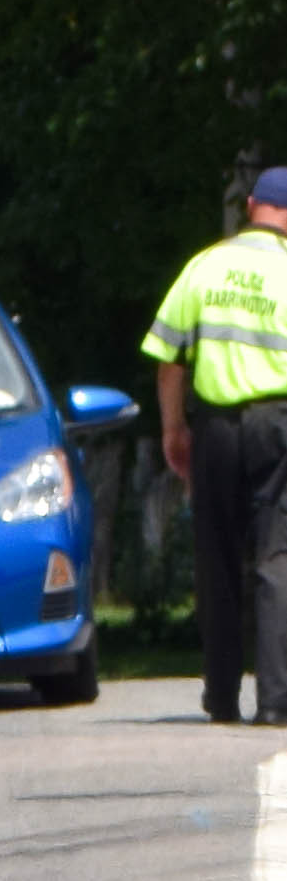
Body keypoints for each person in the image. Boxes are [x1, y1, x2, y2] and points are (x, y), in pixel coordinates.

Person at [148, 167, 287, 723]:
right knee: (278, 558)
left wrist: (174, 428)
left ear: (251, 205)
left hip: (217, 428)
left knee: (217, 557)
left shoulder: (204, 267)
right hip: (279, 423)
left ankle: (222, 695)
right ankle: (277, 701)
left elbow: (168, 358)